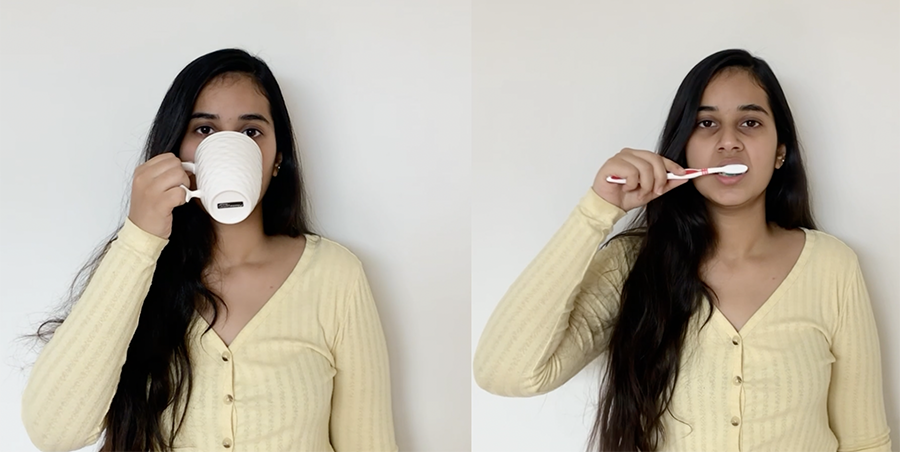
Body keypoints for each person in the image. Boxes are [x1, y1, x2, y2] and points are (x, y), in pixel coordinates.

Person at [473, 49, 891, 452]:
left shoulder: (833, 267)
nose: (728, 142)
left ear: (781, 151)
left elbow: (865, 441)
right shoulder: (631, 266)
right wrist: (597, 209)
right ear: (684, 147)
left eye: (750, 122)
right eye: (706, 124)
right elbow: (507, 374)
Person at [22, 49, 398, 452]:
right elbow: (54, 433)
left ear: (277, 159)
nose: (229, 146)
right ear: (177, 151)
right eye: (204, 130)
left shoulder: (335, 275)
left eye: (251, 132)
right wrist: (139, 239)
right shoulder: (135, 270)